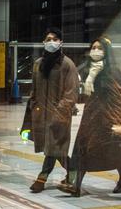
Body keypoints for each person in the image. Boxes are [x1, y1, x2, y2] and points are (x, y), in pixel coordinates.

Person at [59, 37, 121, 197]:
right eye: (93, 48)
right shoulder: (89, 71)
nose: (96, 51)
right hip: (91, 119)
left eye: (100, 48)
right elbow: (86, 95)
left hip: (109, 119)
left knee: (114, 150)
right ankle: (76, 186)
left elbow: (118, 98)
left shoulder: (114, 72)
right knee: (84, 150)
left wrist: (116, 120)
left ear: (106, 51)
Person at [27, 27, 79, 193]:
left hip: (59, 117)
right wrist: (33, 107)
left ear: (60, 42)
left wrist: (59, 115)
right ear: (44, 42)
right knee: (54, 149)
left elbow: (71, 94)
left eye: (54, 39)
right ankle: (73, 171)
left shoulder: (67, 65)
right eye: (48, 39)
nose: (51, 42)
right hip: (41, 116)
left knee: (53, 148)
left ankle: (42, 178)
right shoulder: (38, 65)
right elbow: (34, 90)